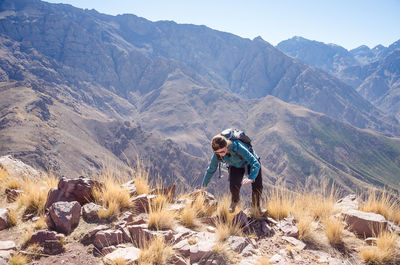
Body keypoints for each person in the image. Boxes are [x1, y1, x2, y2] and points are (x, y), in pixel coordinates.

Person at [201, 133, 263, 212]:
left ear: (226, 145)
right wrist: (204, 186)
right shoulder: (217, 154)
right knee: (234, 185)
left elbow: (255, 163)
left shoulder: (237, 147)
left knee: (257, 186)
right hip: (235, 165)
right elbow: (211, 169)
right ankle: (235, 201)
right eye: (218, 153)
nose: (221, 155)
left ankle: (255, 207)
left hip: (250, 163)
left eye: (222, 151)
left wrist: (251, 177)